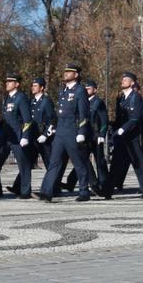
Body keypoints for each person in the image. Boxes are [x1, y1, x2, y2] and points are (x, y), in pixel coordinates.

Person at [38, 63, 93, 202]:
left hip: (72, 131)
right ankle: (46, 192)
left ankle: (84, 191)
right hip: (61, 131)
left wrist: (82, 131)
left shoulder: (80, 90)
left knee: (79, 163)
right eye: (65, 71)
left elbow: (83, 113)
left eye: (69, 72)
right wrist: (52, 128)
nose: (66, 73)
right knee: (54, 163)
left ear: (76, 75)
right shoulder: (63, 91)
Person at [104, 71, 143, 198]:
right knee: (116, 163)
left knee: (139, 163)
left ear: (132, 83)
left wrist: (122, 129)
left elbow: (135, 118)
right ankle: (108, 190)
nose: (123, 81)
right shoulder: (122, 98)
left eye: (126, 79)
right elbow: (119, 118)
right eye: (123, 79)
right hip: (122, 137)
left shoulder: (135, 97)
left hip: (133, 136)